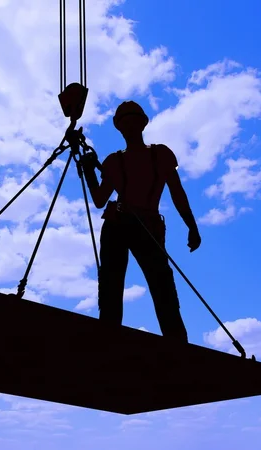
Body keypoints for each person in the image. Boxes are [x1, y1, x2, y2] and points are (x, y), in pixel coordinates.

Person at [78, 101, 201, 342]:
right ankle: (113, 340)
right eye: (126, 123)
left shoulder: (155, 155)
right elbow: (101, 199)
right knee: (123, 288)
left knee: (158, 288)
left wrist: (192, 226)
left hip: (132, 226)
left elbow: (178, 193)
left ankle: (174, 343)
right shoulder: (124, 160)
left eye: (130, 122)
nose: (129, 127)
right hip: (124, 224)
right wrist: (91, 171)